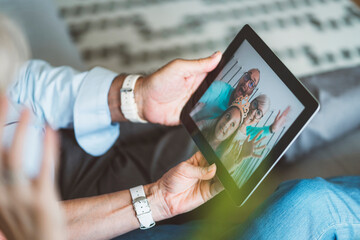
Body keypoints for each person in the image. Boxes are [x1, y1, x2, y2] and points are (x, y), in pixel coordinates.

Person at [0, 15, 224, 240]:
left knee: (200, 123)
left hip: (66, 142)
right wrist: (158, 201)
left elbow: (24, 84)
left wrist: (137, 98)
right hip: (60, 223)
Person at [192, 69, 260, 122]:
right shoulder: (219, 88)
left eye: (251, 84)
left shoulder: (241, 115)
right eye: (247, 77)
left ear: (251, 92)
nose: (246, 83)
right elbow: (194, 95)